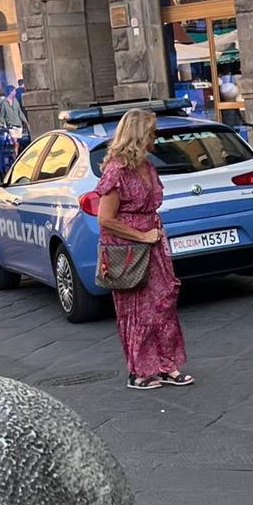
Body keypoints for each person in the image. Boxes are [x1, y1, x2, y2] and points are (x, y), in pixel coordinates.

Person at [95, 108, 192, 392]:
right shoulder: (117, 170)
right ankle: (140, 370)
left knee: (163, 301)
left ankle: (167, 364)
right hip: (127, 249)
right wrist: (141, 235)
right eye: (151, 131)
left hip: (153, 243)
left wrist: (153, 236)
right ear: (138, 134)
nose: (155, 136)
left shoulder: (146, 166)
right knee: (136, 309)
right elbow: (106, 219)